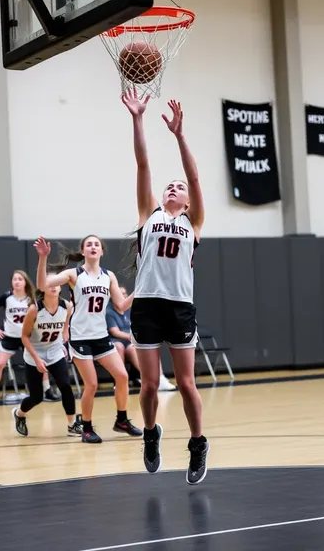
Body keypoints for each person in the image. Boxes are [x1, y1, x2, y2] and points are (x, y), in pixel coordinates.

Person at [122, 89, 209, 485]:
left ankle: (197, 444)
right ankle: (151, 433)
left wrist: (179, 134)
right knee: (151, 383)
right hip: (147, 306)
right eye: (169, 186)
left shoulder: (194, 223)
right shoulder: (147, 214)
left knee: (187, 382)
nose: (174, 187)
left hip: (179, 307)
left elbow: (193, 175)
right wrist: (138, 118)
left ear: (189, 202)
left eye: (180, 188)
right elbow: (143, 164)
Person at [34, 234, 142, 444]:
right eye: (89, 244)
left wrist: (140, 289)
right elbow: (41, 284)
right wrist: (42, 258)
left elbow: (121, 305)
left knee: (122, 376)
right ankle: (87, 428)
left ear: (101, 251)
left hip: (100, 335)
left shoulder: (108, 276)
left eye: (97, 244)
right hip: (80, 337)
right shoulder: (74, 274)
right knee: (91, 384)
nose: (93, 247)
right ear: (83, 251)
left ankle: (121, 420)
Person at [12, 285, 82, 437]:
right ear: (43, 288)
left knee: (65, 385)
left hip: (54, 351)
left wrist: (64, 333)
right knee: (37, 397)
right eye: (49, 284)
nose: (53, 287)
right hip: (34, 354)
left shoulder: (67, 306)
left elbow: (66, 324)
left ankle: (71, 425)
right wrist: (37, 359)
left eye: (56, 284)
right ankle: (19, 413)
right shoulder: (34, 309)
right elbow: (24, 337)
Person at [0, 270, 59, 408]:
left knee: (40, 363)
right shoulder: (6, 297)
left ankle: (47, 390)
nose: (17, 281)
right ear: (11, 282)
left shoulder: (32, 298)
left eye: (20, 279)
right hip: (10, 337)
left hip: (29, 337)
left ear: (25, 282)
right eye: (14, 279)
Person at [106, 285, 176, 392]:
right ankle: (119, 381)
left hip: (131, 341)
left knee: (140, 347)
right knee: (118, 347)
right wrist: (131, 336)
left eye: (125, 293)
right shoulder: (109, 311)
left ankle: (158, 378)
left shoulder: (131, 309)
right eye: (121, 294)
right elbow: (114, 332)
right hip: (116, 340)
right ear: (113, 296)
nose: (124, 296)